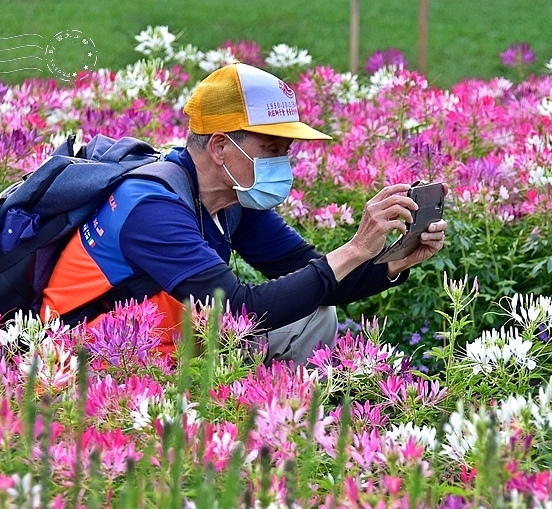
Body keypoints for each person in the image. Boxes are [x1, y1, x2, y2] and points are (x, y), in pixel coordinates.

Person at [41, 62, 448, 361]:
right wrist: (356, 247)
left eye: (286, 151)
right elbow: (238, 311)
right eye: (271, 150)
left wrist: (392, 261)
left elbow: (321, 276)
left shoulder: (234, 201)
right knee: (293, 314)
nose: (283, 162)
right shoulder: (151, 207)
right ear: (220, 148)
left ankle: (281, 430)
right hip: (95, 362)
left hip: (171, 345)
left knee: (315, 315)